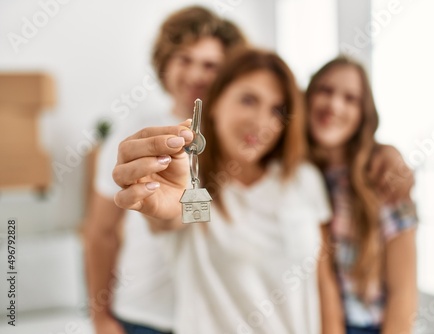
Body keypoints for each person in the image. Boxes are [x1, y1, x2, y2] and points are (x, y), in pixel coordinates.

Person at [111, 48, 346, 334]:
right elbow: (169, 217)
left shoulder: (303, 179)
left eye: (277, 110)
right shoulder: (191, 184)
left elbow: (324, 284)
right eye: (249, 100)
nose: (262, 122)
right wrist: (159, 205)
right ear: (215, 102)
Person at [83, 6, 246, 334]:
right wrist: (100, 317)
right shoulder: (131, 134)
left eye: (210, 64)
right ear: (165, 63)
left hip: (218, 316)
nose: (196, 75)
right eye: (184, 59)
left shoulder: (246, 139)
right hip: (142, 315)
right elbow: (100, 232)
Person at [306, 56, 418, 334]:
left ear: (363, 114)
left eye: (350, 98)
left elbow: (403, 294)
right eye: (325, 90)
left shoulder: (383, 179)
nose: (334, 105)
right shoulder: (299, 172)